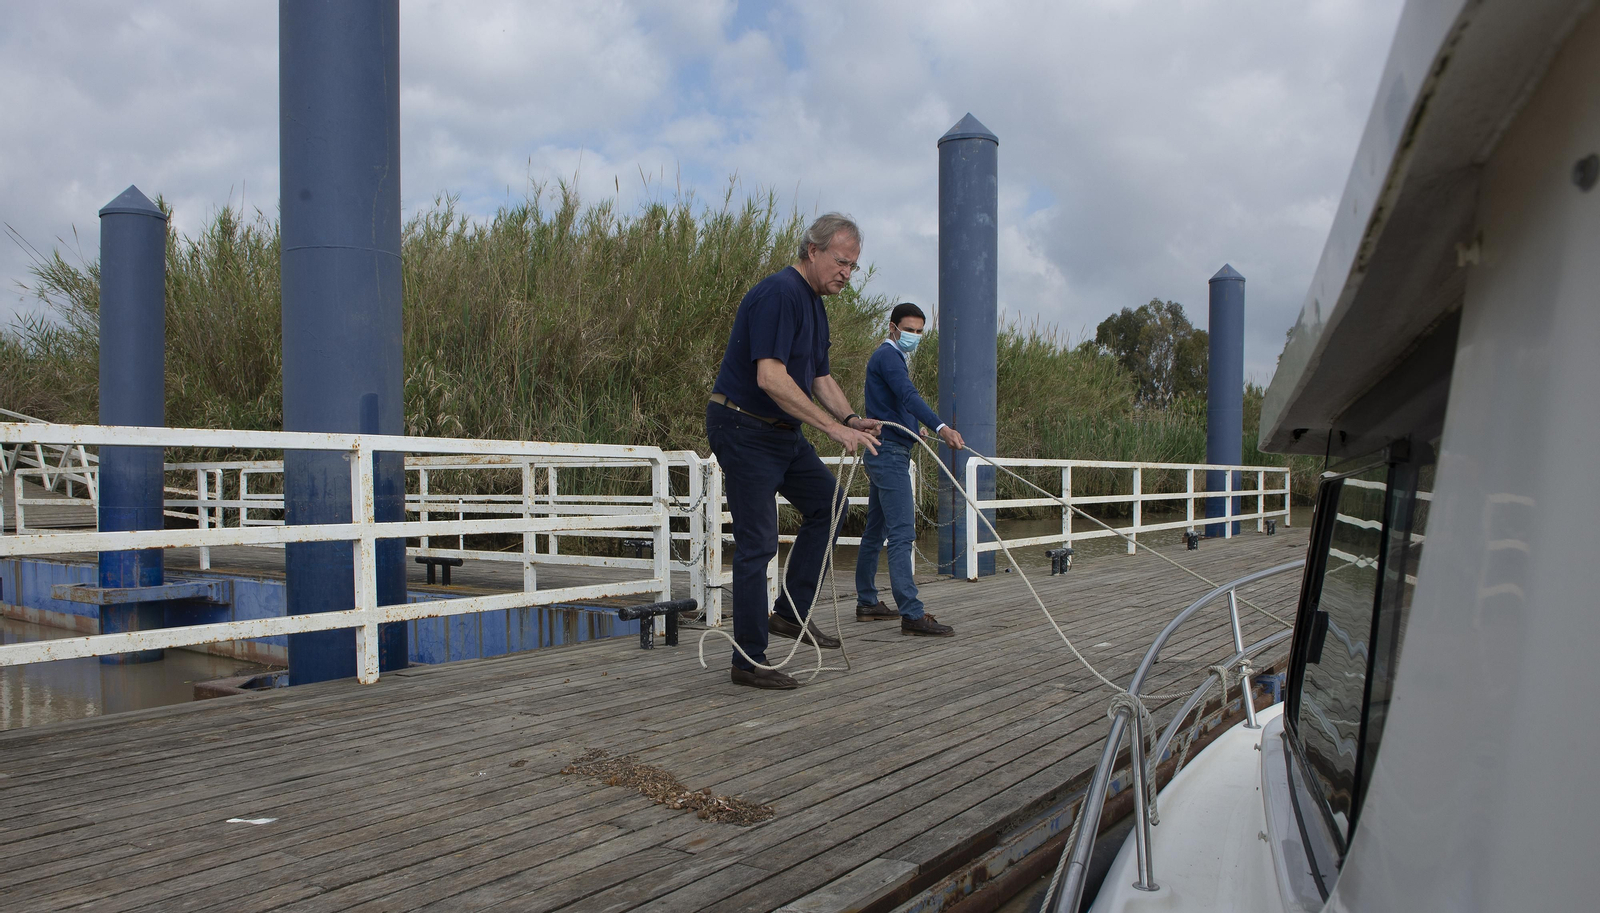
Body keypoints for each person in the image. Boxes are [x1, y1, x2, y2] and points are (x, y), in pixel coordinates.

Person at [706, 213, 882, 690]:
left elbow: (819, 377)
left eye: (853, 266)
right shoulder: (780, 293)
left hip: (781, 433)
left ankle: (789, 613)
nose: (847, 273)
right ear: (812, 251)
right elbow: (770, 377)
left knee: (831, 505)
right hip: (743, 426)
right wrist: (832, 429)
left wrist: (851, 419)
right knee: (759, 543)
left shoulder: (814, 305)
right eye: (841, 262)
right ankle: (748, 660)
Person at [853, 302, 964, 636]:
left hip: (886, 450)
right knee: (902, 533)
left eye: (919, 331)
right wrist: (941, 427)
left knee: (876, 531)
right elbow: (907, 395)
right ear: (893, 327)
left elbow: (893, 406)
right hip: (889, 455)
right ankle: (912, 615)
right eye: (909, 330)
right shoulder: (889, 357)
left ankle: (867, 602)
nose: (914, 335)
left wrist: (915, 429)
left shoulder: (890, 357)